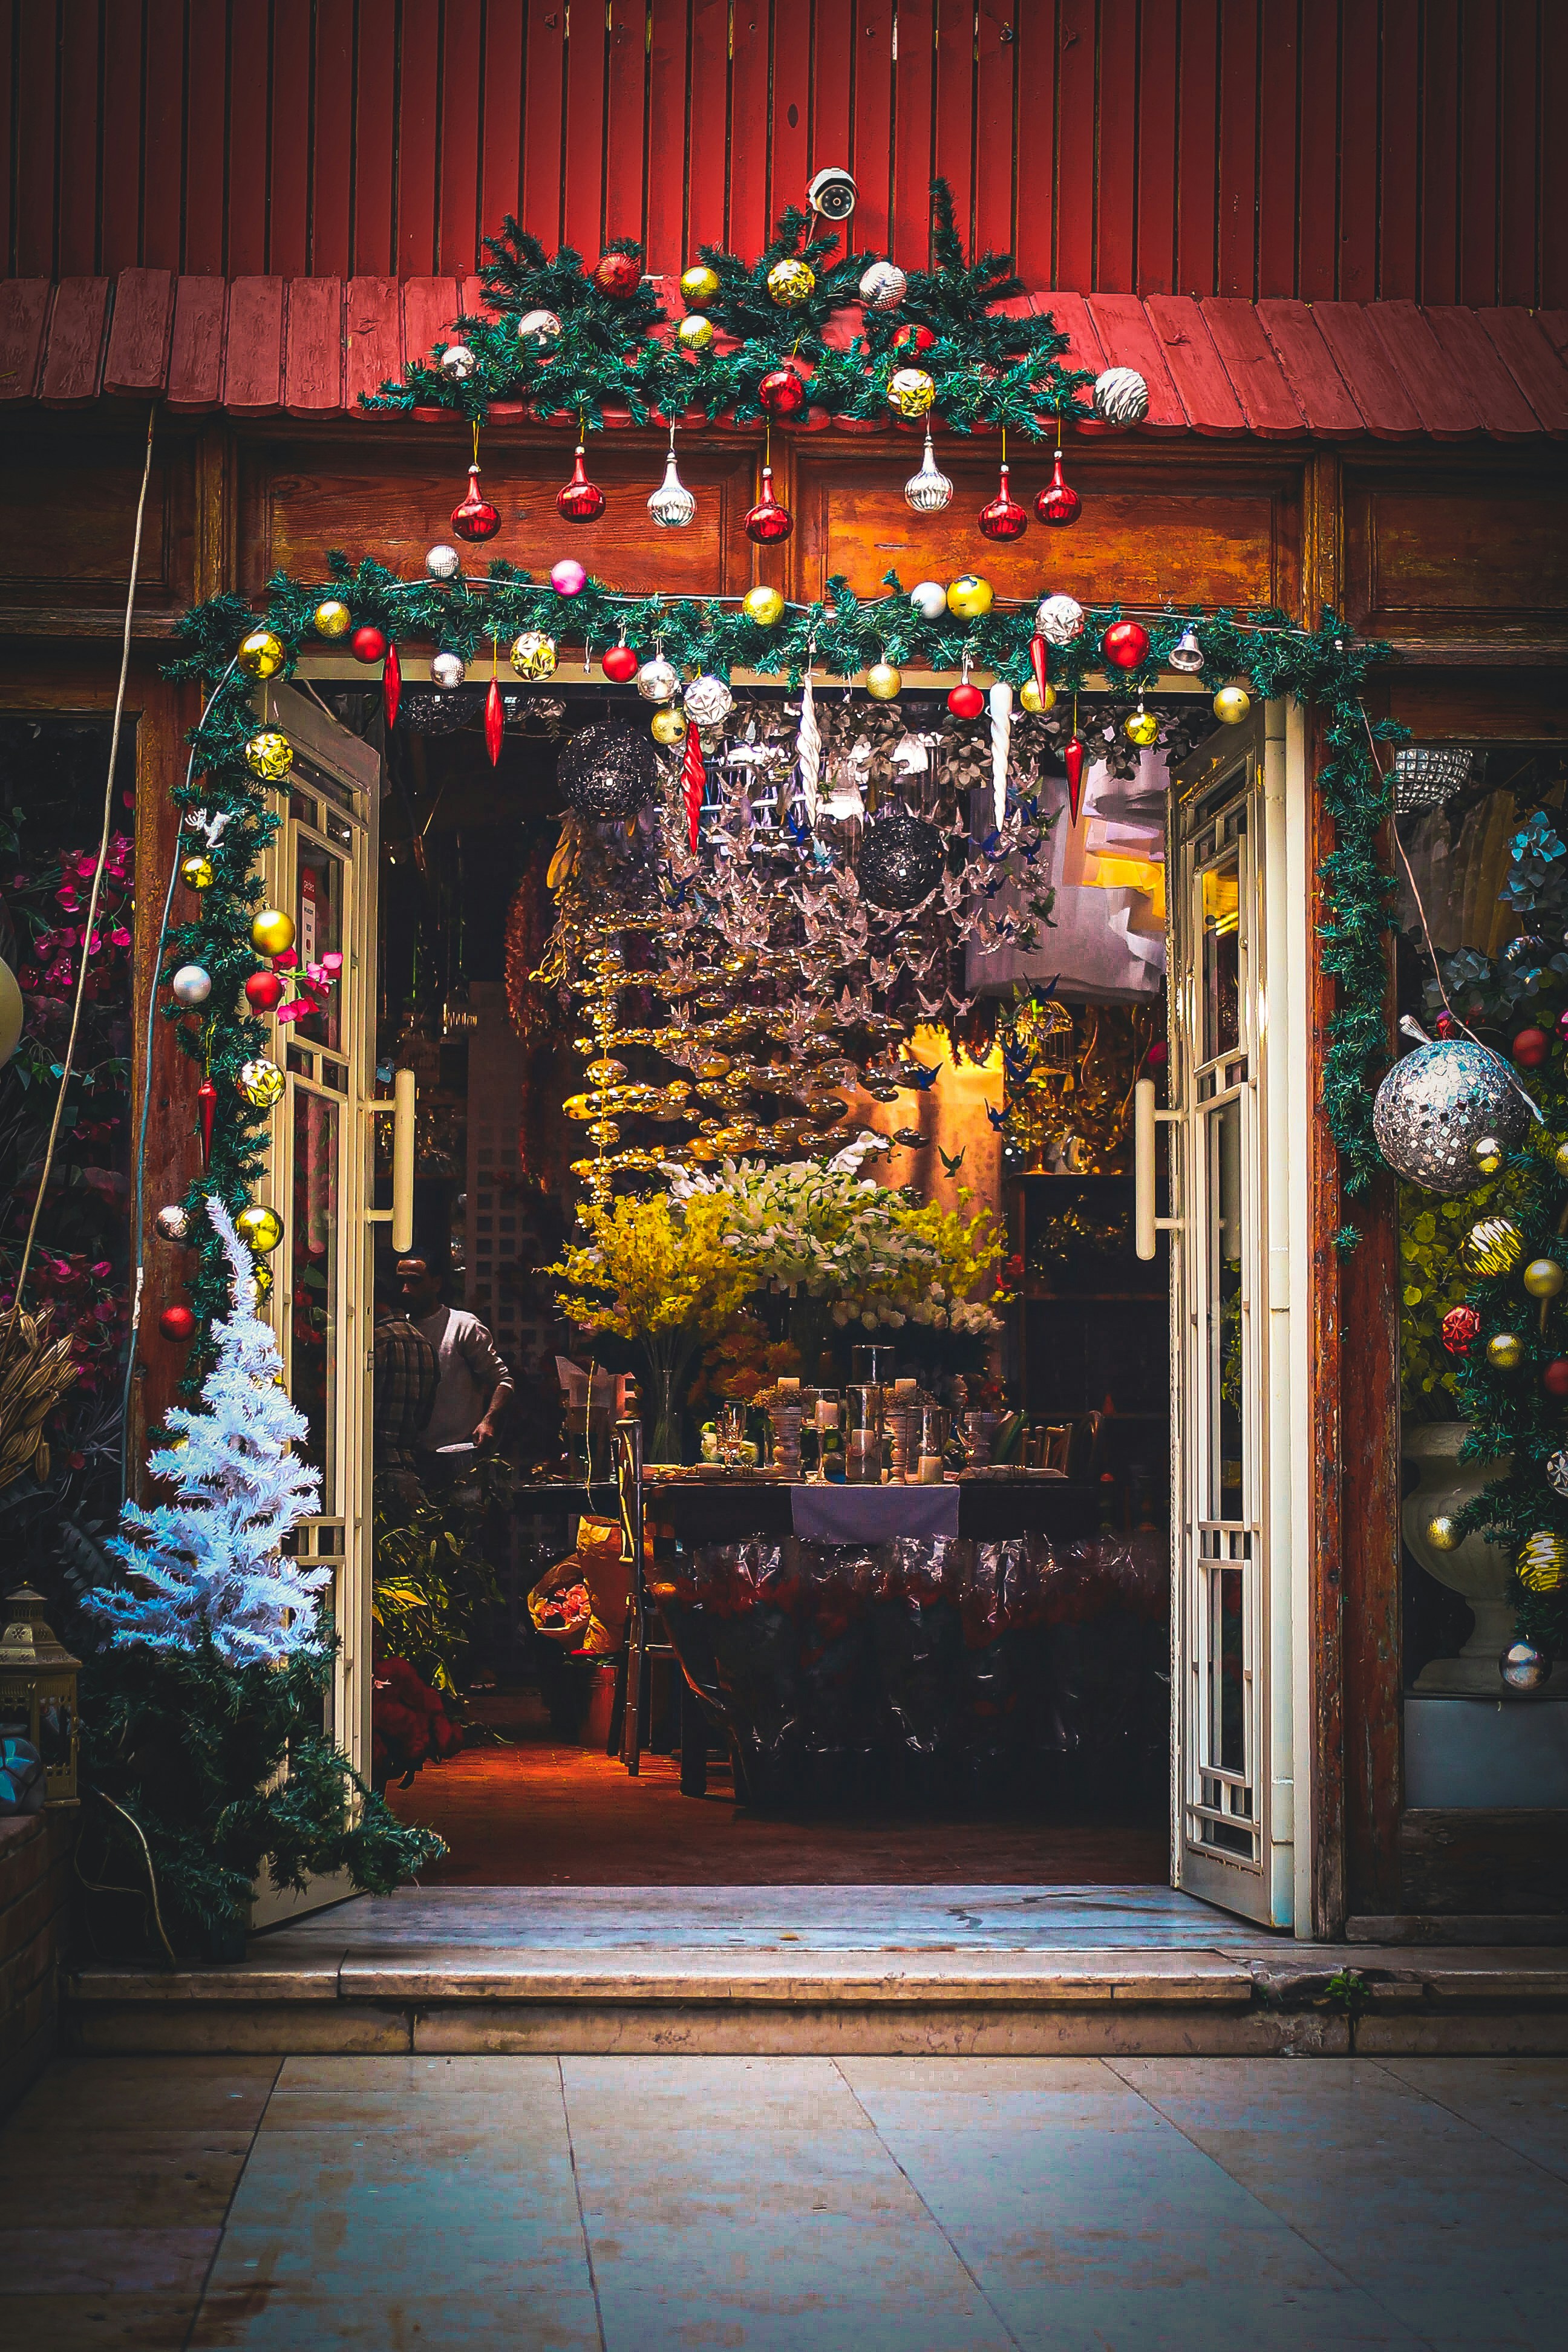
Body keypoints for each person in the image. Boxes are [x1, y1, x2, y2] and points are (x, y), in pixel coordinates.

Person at [396, 1256, 515, 1463]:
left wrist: (488, 1421)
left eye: (415, 1281)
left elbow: (503, 1381)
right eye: (402, 1281)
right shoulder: (398, 1330)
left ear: (436, 1284)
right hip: (411, 1455)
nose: (406, 1290)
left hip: (459, 1452)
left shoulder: (462, 1326)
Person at [371, 1297, 439, 1507]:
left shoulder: (374, 1341)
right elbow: (424, 1419)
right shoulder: (426, 1344)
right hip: (409, 1468)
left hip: (374, 1465)